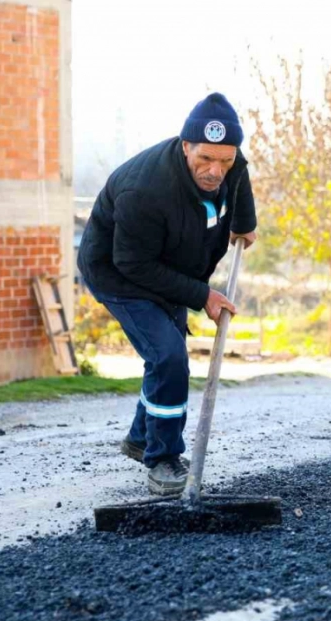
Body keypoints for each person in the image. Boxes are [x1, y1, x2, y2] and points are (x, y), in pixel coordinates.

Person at [77, 93, 258, 495]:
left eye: (224, 161)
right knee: (169, 356)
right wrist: (201, 295)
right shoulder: (145, 190)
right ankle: (162, 459)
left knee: (165, 355)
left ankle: (141, 438)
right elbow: (133, 264)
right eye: (206, 159)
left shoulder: (230, 162)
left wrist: (244, 222)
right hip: (120, 272)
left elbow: (240, 174)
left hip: (170, 266)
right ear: (185, 146)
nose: (216, 171)